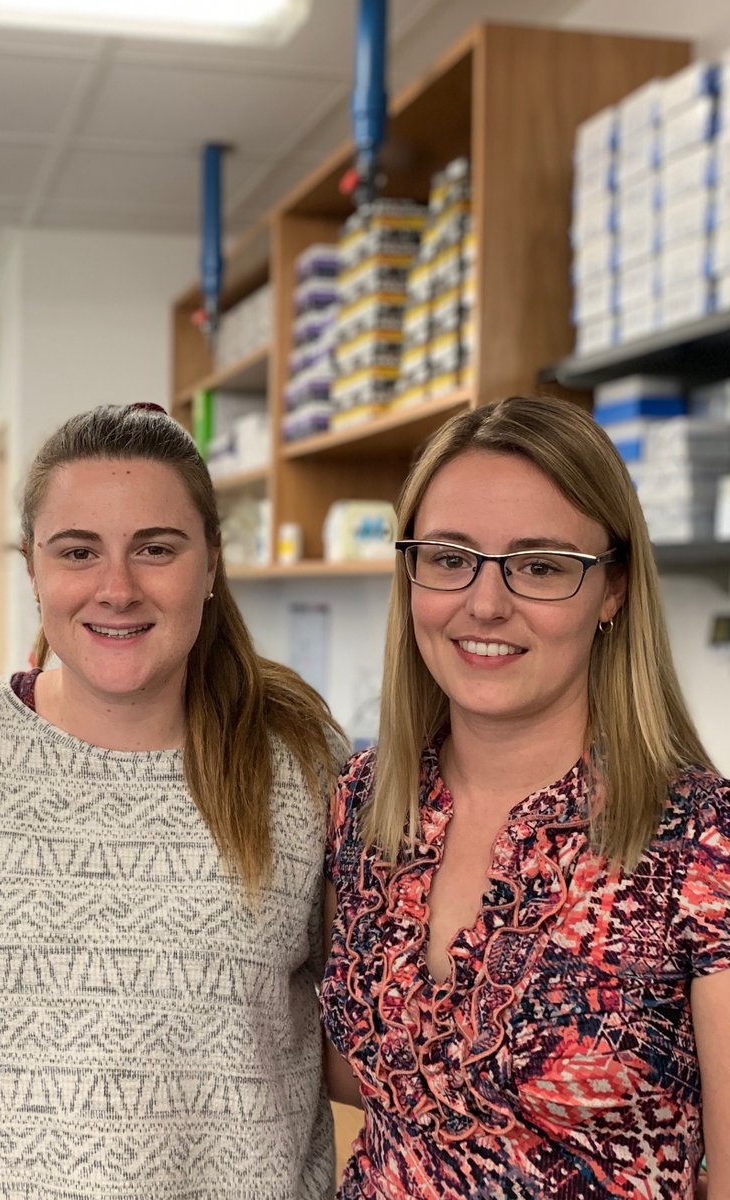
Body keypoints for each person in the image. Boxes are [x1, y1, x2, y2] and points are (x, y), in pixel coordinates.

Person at [0, 402, 347, 1198]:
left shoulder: (301, 763)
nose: (117, 588)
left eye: (156, 549)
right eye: (78, 551)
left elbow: (370, 1039)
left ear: (210, 564)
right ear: (32, 567)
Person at [319, 394, 730, 1199]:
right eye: (449, 557)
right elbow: (351, 1074)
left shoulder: (703, 841)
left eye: (539, 566)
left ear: (612, 589)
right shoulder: (362, 803)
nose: (485, 603)